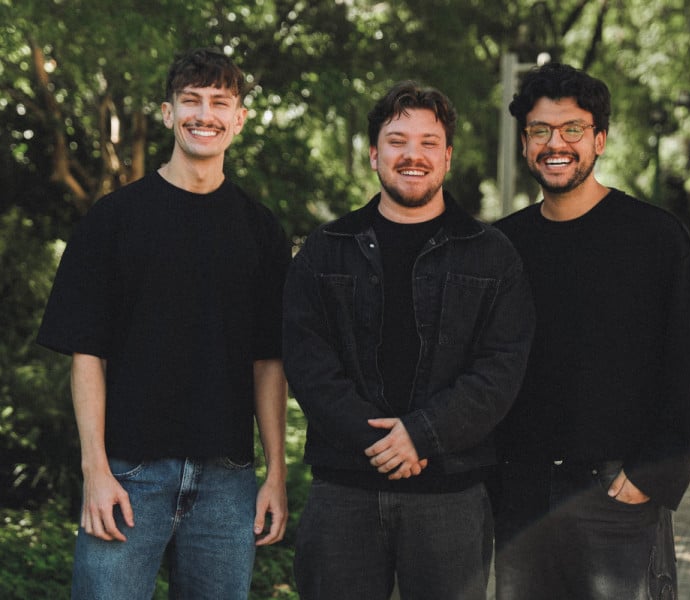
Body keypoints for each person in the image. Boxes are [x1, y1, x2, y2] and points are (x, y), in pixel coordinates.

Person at [36, 48, 290, 599]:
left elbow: (269, 362)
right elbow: (87, 356)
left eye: (220, 103)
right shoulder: (114, 219)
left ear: (240, 117)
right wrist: (95, 472)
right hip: (127, 475)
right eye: (191, 101)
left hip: (227, 481)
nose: (206, 115)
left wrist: (276, 473)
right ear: (168, 113)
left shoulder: (261, 229)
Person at [282, 81, 533, 600]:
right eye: (397, 141)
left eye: (427, 142)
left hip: (451, 495)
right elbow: (308, 362)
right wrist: (379, 441)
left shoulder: (493, 255)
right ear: (374, 154)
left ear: (447, 156)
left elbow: (500, 369)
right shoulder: (325, 251)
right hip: (343, 489)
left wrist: (422, 433)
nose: (412, 155)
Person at [491, 62, 690, 599]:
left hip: (616, 497)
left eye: (573, 129)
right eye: (540, 131)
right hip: (522, 499)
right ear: (525, 144)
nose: (557, 144)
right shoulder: (502, 247)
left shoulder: (656, 239)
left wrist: (654, 474)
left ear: (599, 139)